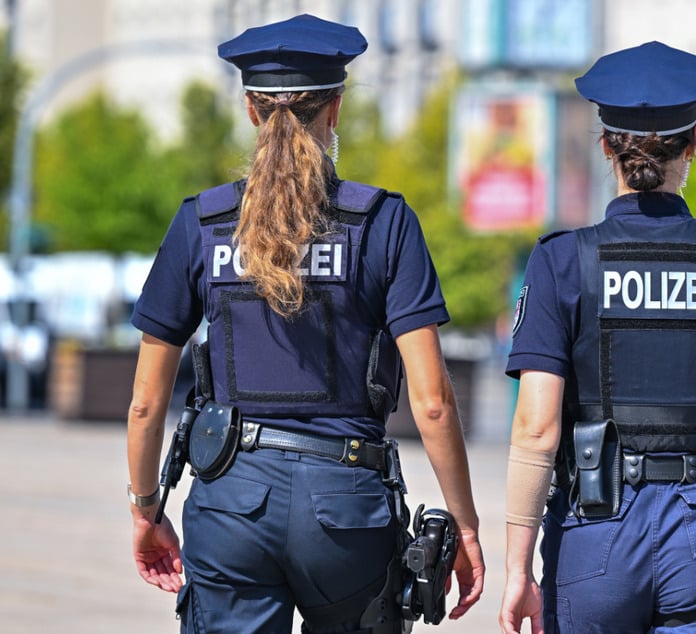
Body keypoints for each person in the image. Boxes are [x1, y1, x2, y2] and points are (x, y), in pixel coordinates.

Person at [126, 13, 484, 633]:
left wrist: (146, 508)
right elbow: (432, 404)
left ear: (249, 110)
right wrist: (466, 524)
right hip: (347, 508)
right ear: (336, 109)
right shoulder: (385, 222)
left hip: (231, 500)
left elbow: (144, 403)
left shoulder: (202, 224)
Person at [499, 41, 696, 633]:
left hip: (597, 531)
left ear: (606, 146)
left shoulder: (563, 261)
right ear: (691, 144)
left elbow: (536, 428)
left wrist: (518, 570)